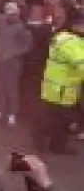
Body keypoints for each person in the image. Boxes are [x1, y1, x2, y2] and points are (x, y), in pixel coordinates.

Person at [31, 14, 84, 154]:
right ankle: (42, 141)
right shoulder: (72, 43)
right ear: (77, 27)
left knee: (59, 119)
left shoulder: (64, 37)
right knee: (54, 118)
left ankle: (55, 145)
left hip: (59, 87)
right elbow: (81, 64)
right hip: (61, 88)